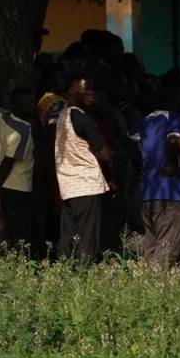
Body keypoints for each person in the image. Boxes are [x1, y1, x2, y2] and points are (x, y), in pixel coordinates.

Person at [54, 76, 115, 263]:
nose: (91, 93)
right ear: (72, 91)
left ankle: (64, 274)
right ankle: (85, 279)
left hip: (69, 185)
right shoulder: (80, 117)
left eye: (92, 89)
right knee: (88, 240)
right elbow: (105, 154)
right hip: (87, 185)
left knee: (69, 237)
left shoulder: (64, 115)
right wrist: (112, 175)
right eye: (85, 89)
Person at [134, 86, 180, 267]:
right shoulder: (173, 119)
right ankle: (155, 287)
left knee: (152, 243)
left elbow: (132, 144)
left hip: (148, 191)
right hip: (169, 190)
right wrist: (171, 162)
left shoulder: (143, 122)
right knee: (167, 244)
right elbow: (173, 139)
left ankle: (146, 282)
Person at [0, 87, 39, 258]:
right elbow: (7, 164)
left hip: (7, 186)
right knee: (21, 230)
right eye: (27, 103)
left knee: (11, 228)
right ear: (16, 105)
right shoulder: (24, 132)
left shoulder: (2, 116)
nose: (32, 106)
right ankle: (20, 261)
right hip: (20, 187)